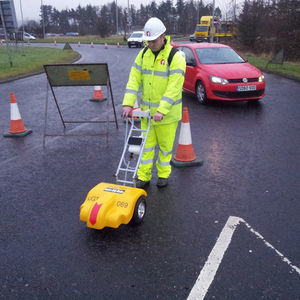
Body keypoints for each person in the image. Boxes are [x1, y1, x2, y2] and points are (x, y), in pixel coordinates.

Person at [122, 17, 186, 188]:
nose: (150, 44)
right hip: (146, 114)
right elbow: (133, 80)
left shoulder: (176, 56)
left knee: (165, 148)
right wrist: (128, 104)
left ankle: (163, 175)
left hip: (167, 115)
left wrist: (162, 110)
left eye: (153, 40)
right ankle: (143, 176)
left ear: (163, 36)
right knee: (146, 148)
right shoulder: (143, 55)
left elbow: (174, 86)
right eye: (148, 41)